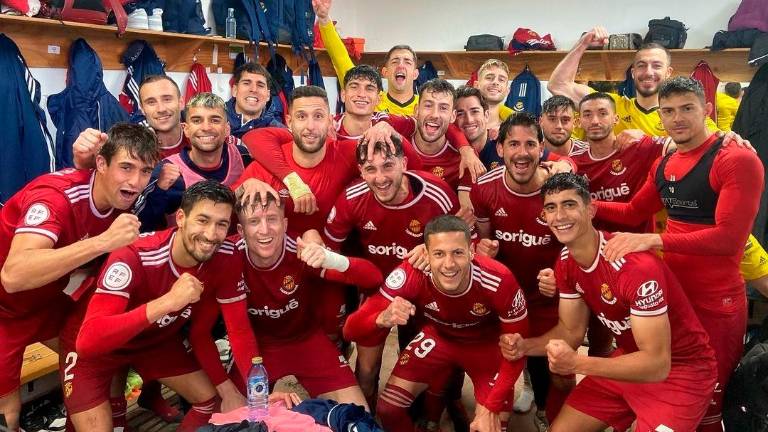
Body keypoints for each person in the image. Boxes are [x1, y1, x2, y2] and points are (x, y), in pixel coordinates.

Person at [593, 77, 764, 431]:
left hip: (717, 302)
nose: (677, 118)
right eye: (668, 111)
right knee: (676, 395)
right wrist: (580, 207)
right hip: (674, 296)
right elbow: (631, 212)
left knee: (710, 406)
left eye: (687, 108)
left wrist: (654, 242)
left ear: (707, 110)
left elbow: (728, 240)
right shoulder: (667, 162)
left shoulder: (737, 159)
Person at [500, 172, 717, 432]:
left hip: (682, 371)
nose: (559, 216)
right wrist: (524, 346)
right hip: (628, 360)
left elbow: (658, 364)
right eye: (551, 208)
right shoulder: (567, 260)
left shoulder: (634, 267)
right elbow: (570, 332)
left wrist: (577, 363)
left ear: (591, 209)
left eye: (570, 205)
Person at [0, 123, 157, 432]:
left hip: (45, 305)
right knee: (8, 415)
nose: (135, 181)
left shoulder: (119, 200)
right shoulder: (55, 196)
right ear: (101, 163)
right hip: (4, 311)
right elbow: (13, 275)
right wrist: (104, 242)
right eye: (126, 167)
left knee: (103, 347)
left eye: (145, 171)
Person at [66, 181, 249, 431]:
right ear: (181, 217)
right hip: (97, 345)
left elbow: (225, 330)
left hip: (153, 342)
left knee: (210, 401)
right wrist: (168, 302)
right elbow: (88, 341)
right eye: (203, 220)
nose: (210, 234)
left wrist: (231, 390)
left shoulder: (225, 255)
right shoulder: (135, 255)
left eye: (221, 224)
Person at [344, 215, 529, 432]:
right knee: (388, 409)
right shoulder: (411, 272)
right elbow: (349, 331)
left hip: (486, 347)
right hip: (438, 339)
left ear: (471, 251)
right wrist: (381, 318)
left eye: (458, 253)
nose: (449, 264)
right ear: (426, 254)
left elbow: (518, 351)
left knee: (492, 426)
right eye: (439, 254)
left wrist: (491, 407)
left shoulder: (499, 279)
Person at [323, 136, 461, 411]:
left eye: (388, 166)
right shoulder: (352, 197)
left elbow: (461, 242)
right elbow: (328, 254)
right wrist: (361, 278)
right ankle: (366, 421)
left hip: (424, 292)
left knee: (423, 363)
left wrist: (431, 246)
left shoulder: (436, 193)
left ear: (404, 164)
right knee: (366, 370)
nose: (380, 177)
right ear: (360, 171)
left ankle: (433, 412)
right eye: (370, 169)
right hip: (376, 293)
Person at [214, 192, 377, 409]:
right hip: (257, 349)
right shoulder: (230, 256)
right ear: (241, 231)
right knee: (230, 415)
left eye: (272, 219)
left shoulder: (300, 250)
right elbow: (239, 331)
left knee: (358, 414)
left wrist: (330, 259)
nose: (264, 230)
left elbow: (373, 277)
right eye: (254, 222)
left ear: (284, 223)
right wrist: (257, 390)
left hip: (307, 341)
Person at [468, 113, 573, 424]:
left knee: (558, 368)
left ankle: (552, 413)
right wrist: (481, 250)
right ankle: (523, 391)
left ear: (542, 149)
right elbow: (485, 242)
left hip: (549, 294)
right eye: (513, 143)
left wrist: (560, 274)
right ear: (499, 149)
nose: (522, 152)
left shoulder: (558, 189)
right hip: (507, 293)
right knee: (508, 352)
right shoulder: (484, 188)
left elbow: (576, 242)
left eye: (530, 144)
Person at [548, 27, 718, 138]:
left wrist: (734, 139)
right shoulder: (610, 105)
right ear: (633, 72)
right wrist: (583, 43)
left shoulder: (682, 114)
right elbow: (558, 85)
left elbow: (722, 142)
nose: (648, 72)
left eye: (656, 66)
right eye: (641, 66)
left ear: (668, 73)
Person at [135, 92, 252, 231]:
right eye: (197, 120)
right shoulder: (166, 172)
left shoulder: (243, 157)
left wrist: (256, 181)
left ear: (227, 129)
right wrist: (158, 191)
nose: (206, 127)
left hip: (235, 250)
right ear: (186, 129)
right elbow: (141, 228)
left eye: (215, 120)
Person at [313, 0, 419, 115]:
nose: (400, 66)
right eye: (395, 61)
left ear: (415, 74)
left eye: (407, 62)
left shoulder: (426, 105)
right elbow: (339, 57)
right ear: (385, 72)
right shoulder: (370, 98)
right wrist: (324, 19)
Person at [226, 62, 285, 138]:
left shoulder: (280, 132)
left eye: (260, 85)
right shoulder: (213, 123)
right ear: (235, 90)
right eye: (246, 83)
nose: (254, 89)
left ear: (268, 95)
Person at [473, 59, 514, 131]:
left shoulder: (515, 129)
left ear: (507, 91)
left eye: (501, 80)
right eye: (489, 78)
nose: (495, 82)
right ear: (476, 85)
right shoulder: (460, 125)